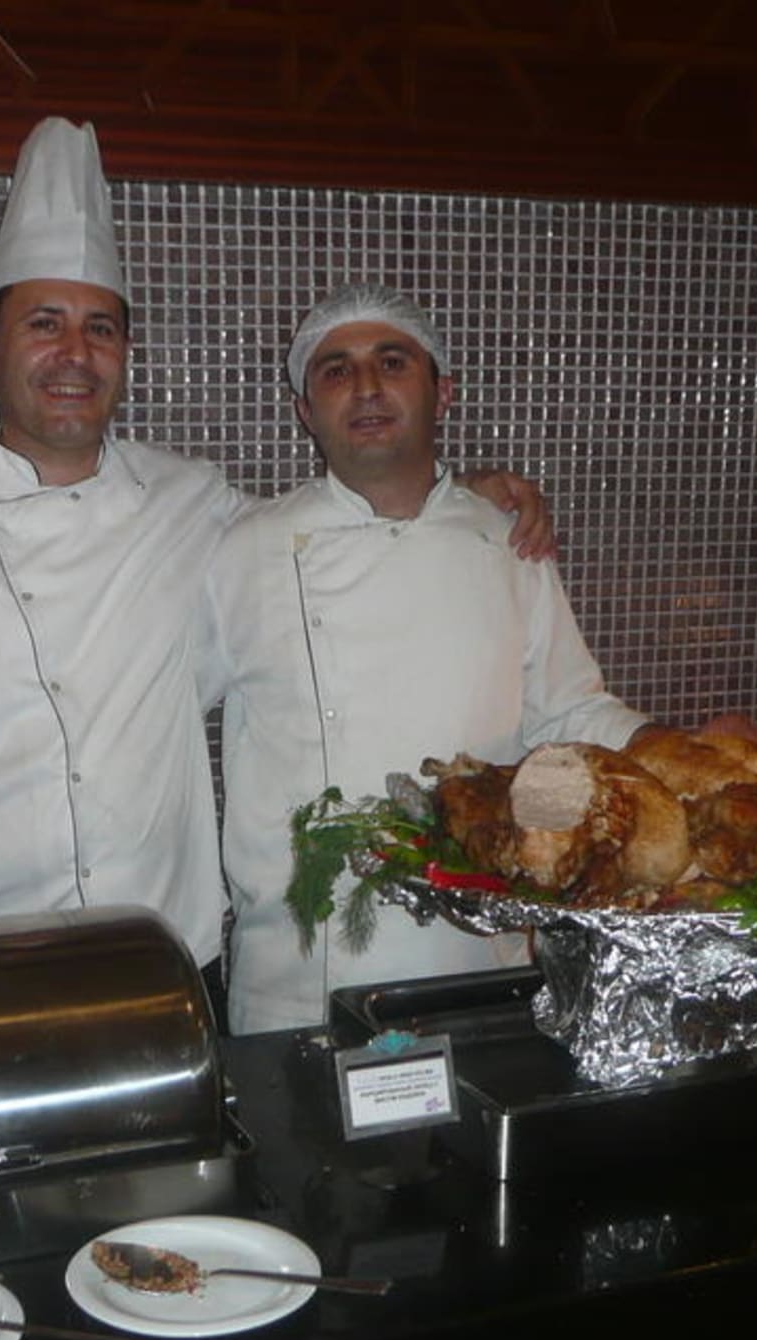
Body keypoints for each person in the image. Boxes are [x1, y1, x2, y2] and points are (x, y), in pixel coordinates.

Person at [0, 119, 555, 1016]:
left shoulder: (191, 500)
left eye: (99, 328)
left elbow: (345, 529)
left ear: (124, 355)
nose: (74, 354)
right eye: (44, 325)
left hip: (167, 956)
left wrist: (461, 494)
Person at [200, 284, 653, 1035]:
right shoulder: (242, 552)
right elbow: (163, 711)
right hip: (300, 983)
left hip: (482, 962)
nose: (367, 386)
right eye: (336, 370)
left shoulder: (506, 542)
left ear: (442, 392)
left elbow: (567, 715)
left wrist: (672, 747)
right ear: (306, 411)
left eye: (392, 362)